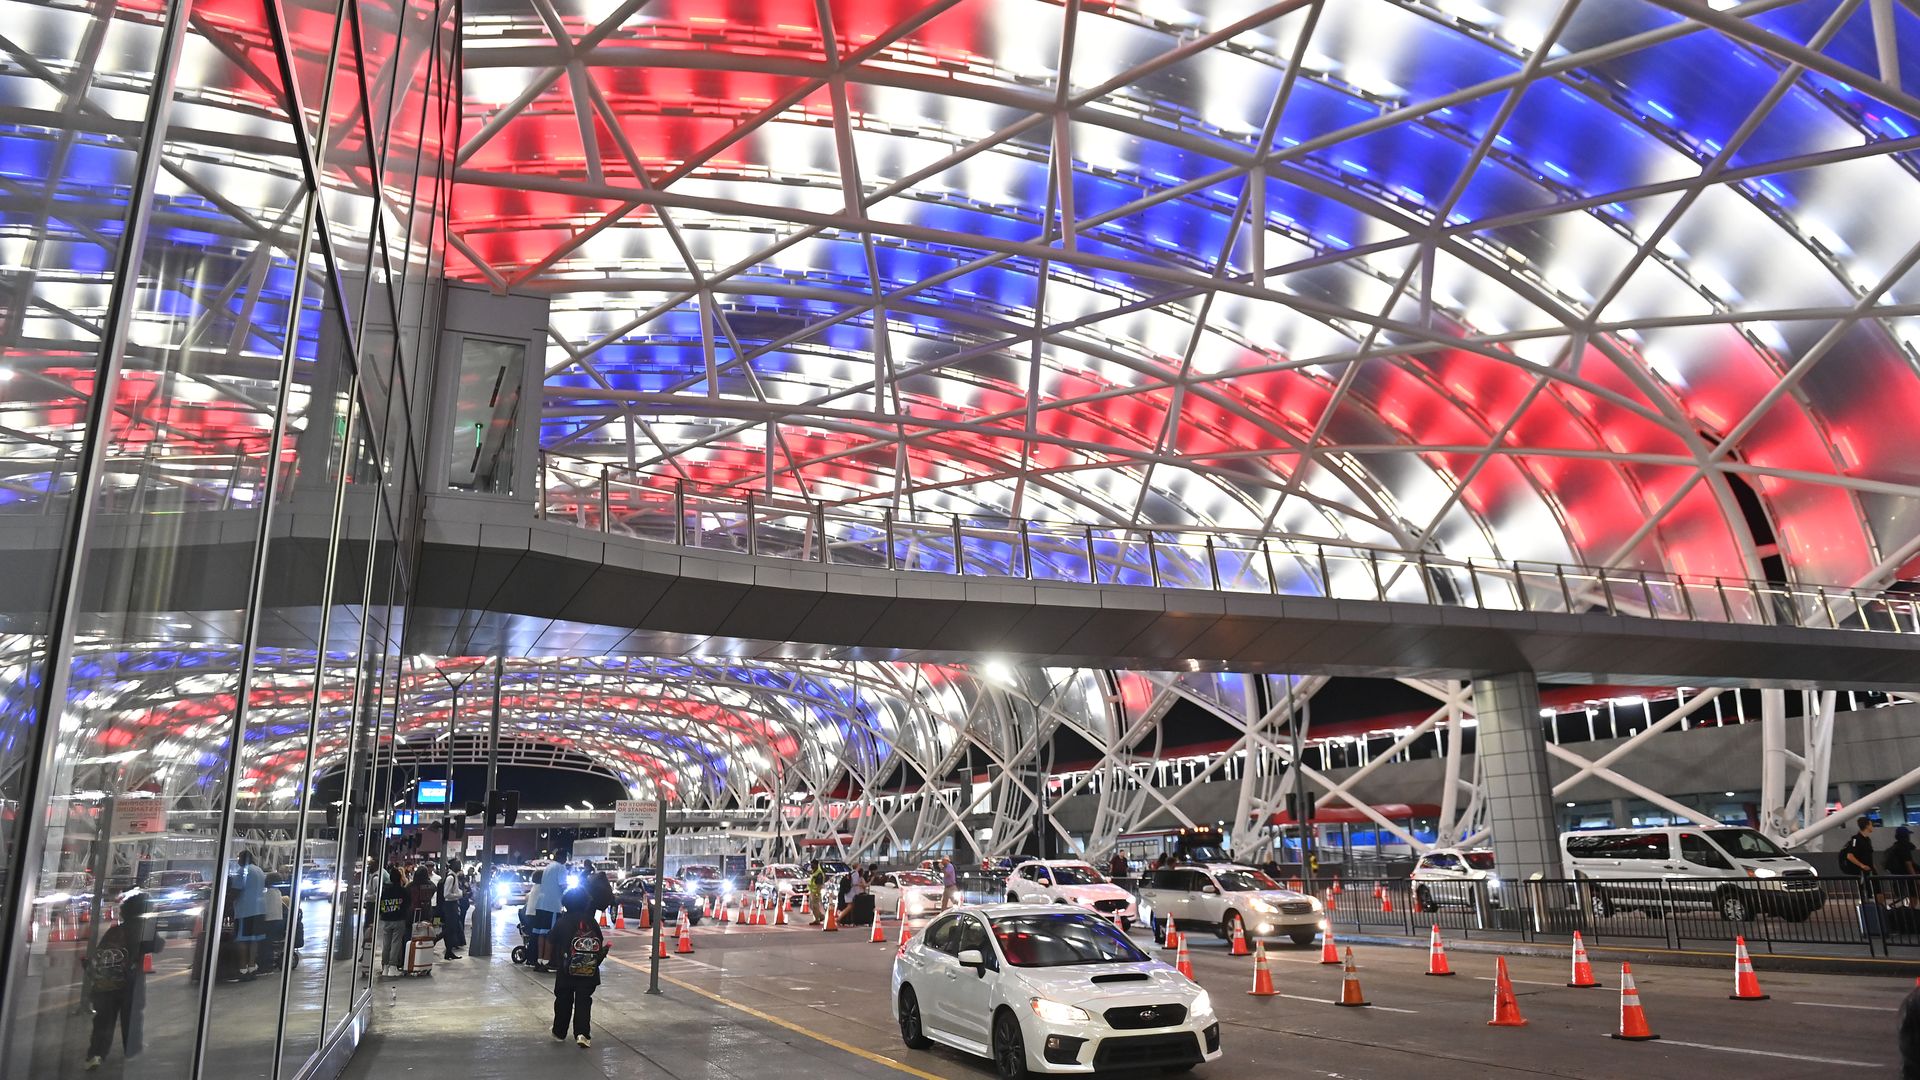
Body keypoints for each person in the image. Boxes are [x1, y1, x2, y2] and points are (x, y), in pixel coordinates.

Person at [83, 893, 162, 1071]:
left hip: (106, 984)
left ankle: (95, 1054)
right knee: (131, 1017)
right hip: (130, 984)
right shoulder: (143, 929)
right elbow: (158, 946)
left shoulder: (114, 930)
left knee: (103, 1021)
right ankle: (132, 1051)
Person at [550, 887, 608, 1047]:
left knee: (563, 1000)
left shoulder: (562, 921)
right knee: (583, 1001)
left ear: (566, 903)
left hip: (566, 970)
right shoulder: (591, 921)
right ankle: (582, 1034)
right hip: (588, 971)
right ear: (585, 903)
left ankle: (559, 1032)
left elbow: (551, 940)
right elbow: (599, 942)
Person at [230, 849, 267, 978]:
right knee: (254, 940)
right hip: (260, 910)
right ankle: (252, 966)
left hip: (245, 911)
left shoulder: (243, 871)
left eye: (239, 858)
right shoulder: (259, 871)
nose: (238, 860)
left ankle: (242, 969)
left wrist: (228, 903)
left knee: (242, 940)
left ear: (242, 859)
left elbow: (236, 891)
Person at [532, 864, 567, 970]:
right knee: (549, 934)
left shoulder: (548, 867)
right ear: (563, 858)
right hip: (552, 905)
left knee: (541, 933)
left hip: (541, 904)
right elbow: (563, 885)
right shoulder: (561, 868)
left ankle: (539, 960)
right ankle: (546, 961)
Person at [378, 864, 411, 977]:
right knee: (396, 943)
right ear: (400, 878)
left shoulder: (385, 891)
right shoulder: (403, 891)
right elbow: (408, 904)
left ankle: (385, 967)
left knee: (386, 943)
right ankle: (393, 967)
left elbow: (380, 905)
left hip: (386, 919)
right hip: (398, 919)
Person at [1843, 816, 1880, 899]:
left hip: (1870, 871)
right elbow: (1850, 856)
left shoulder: (1868, 839)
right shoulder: (1856, 839)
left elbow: (1868, 855)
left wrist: (1873, 867)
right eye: (1871, 825)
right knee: (1867, 893)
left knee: (1877, 891)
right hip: (1863, 872)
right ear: (1867, 826)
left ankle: (1879, 909)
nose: (1872, 827)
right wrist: (1861, 865)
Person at [438, 858, 467, 960]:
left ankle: (449, 952)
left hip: (453, 905)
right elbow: (447, 894)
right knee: (450, 928)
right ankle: (435, 940)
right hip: (449, 906)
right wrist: (460, 895)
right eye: (458, 864)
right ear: (453, 865)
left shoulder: (454, 876)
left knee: (452, 930)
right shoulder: (451, 878)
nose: (460, 865)